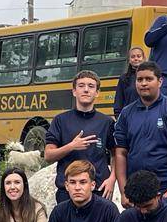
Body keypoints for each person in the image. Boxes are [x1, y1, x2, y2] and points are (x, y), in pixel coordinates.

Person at [113, 61, 167, 202]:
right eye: (140, 79)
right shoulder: (126, 113)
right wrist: (124, 192)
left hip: (164, 189)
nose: (143, 83)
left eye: (149, 79)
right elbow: (120, 153)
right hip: (135, 190)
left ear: (160, 81)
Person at [44, 70, 115, 203]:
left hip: (99, 189)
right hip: (68, 191)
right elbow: (48, 155)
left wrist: (112, 179)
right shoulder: (60, 120)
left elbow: (117, 154)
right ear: (74, 91)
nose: (86, 90)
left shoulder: (107, 122)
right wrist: (71, 146)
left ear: (97, 93)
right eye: (81, 86)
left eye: (91, 86)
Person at [113, 46, 146, 117]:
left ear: (143, 58)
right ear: (129, 60)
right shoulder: (124, 78)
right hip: (129, 117)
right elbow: (118, 101)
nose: (136, 58)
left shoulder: (150, 77)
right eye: (133, 57)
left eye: (139, 56)